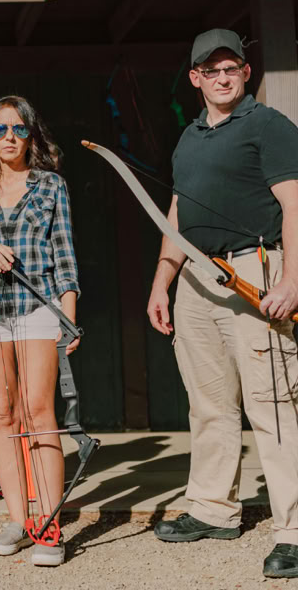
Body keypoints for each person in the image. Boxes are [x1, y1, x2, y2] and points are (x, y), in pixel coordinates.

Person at [147, 28, 298, 580]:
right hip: (198, 279)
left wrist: (292, 280)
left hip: (257, 272)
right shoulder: (190, 137)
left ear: (246, 72)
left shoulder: (269, 126)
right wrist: (163, 280)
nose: (222, 77)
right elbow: (178, 214)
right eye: (210, 70)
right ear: (195, 78)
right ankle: (213, 509)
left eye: (231, 66)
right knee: (210, 403)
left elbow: (294, 204)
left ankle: (294, 530)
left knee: (273, 405)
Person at [0, 95, 81, 567]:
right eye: (0, 129)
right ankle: (17, 517)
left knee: (38, 409)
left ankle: (48, 523)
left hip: (37, 307)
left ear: (32, 135)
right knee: (2, 413)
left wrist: (69, 316)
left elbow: (65, 256)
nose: (9, 137)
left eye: (19, 129)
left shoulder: (50, 186)